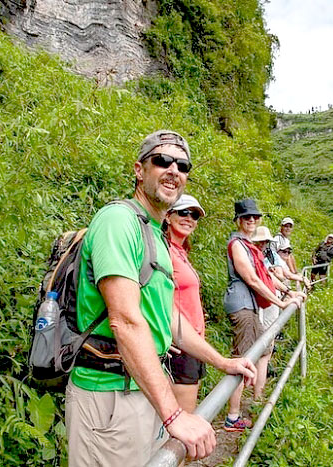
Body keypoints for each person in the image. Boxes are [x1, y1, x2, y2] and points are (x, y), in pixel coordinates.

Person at [66, 130, 257, 467]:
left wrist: (222, 362)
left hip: (145, 390)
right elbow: (124, 320)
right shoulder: (118, 221)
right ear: (140, 170)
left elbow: (169, 319)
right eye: (162, 160)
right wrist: (174, 416)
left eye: (182, 165)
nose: (174, 170)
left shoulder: (154, 233)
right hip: (110, 396)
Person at [223, 199, 304, 431]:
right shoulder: (237, 244)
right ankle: (232, 416)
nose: (251, 220)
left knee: (262, 349)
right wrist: (281, 300)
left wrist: (287, 292)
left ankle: (253, 399)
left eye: (255, 217)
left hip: (250, 306)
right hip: (242, 306)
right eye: (247, 217)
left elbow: (265, 277)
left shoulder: (247, 244)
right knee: (243, 358)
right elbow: (252, 279)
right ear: (238, 219)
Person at [163, 194, 208, 414]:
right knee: (184, 419)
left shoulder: (181, 252)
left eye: (195, 215)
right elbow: (151, 296)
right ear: (168, 216)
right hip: (180, 344)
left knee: (188, 412)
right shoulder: (164, 252)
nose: (189, 218)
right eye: (183, 212)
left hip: (193, 342)